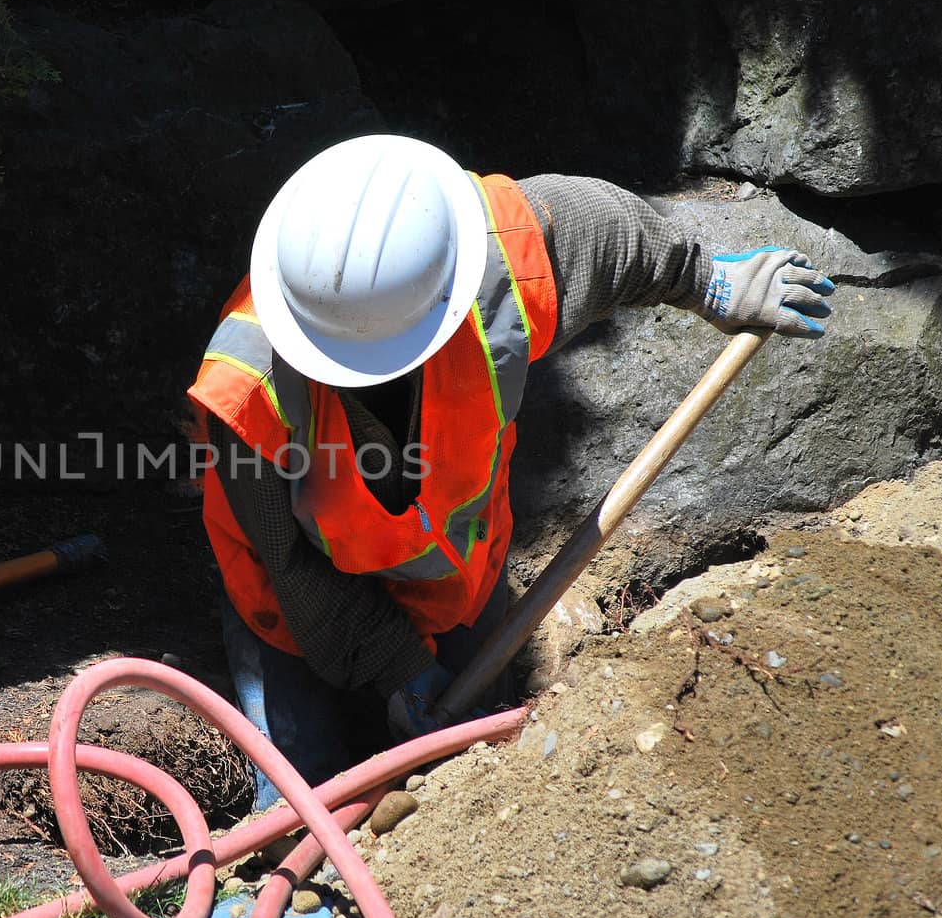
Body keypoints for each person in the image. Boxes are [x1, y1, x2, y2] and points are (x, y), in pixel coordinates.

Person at [185, 135, 833, 809]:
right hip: (293, 609)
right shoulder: (246, 388)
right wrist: (400, 667)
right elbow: (297, 576)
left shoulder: (489, 255)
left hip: (458, 585)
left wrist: (707, 279)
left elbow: (607, 234)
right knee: (305, 807)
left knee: (466, 790)